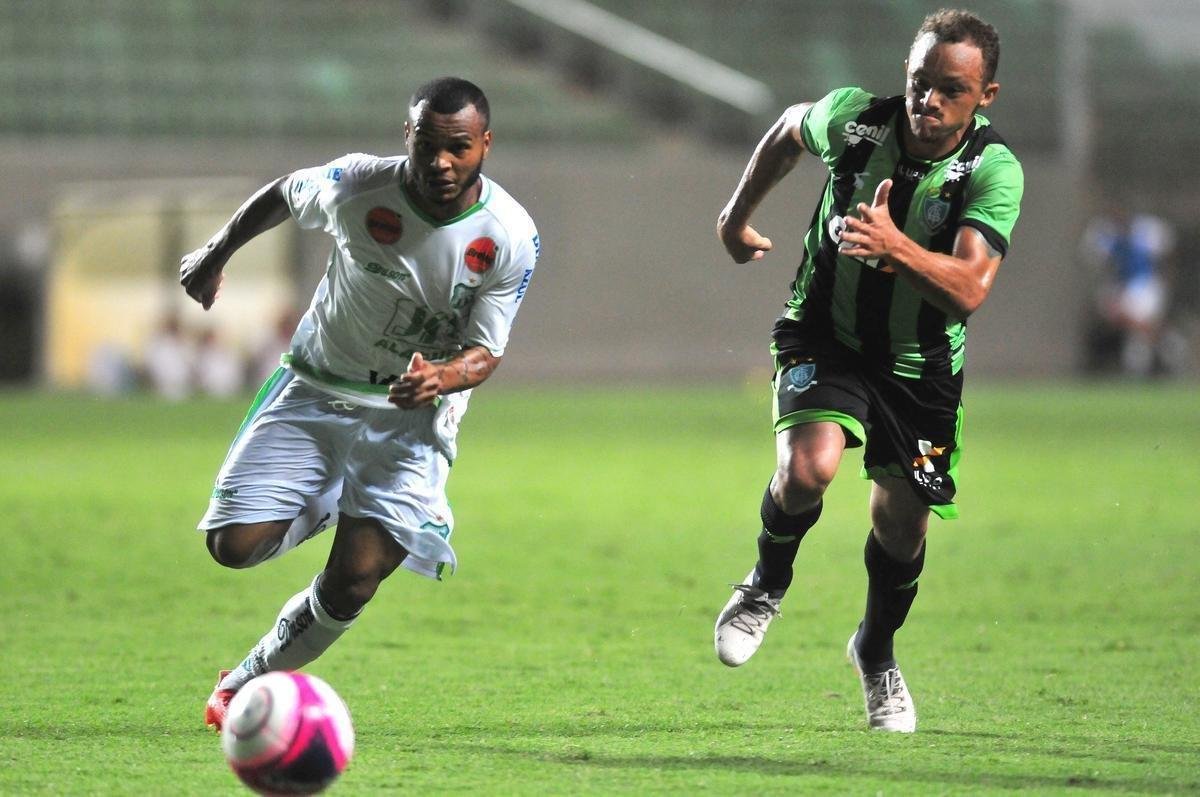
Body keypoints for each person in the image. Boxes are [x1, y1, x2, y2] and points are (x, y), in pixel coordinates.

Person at [179, 77, 540, 731]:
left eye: (458, 147)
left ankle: (241, 684)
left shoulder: (510, 234)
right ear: (408, 136)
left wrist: (443, 378)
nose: (440, 162)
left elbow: (487, 351)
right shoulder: (357, 185)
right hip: (317, 385)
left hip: (412, 415)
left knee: (354, 580)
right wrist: (217, 249)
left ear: (485, 143)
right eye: (427, 145)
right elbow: (287, 191)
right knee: (232, 546)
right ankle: (336, 496)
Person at [712, 9, 1023, 733]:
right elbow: (790, 126)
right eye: (920, 83)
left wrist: (896, 246)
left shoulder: (992, 169)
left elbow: (971, 287)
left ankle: (875, 651)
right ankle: (764, 584)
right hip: (826, 333)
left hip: (920, 367)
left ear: (986, 96)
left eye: (951, 89)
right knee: (807, 469)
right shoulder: (856, 122)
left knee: (902, 526)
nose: (929, 102)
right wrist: (734, 216)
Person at [1079, 204, 1177, 377]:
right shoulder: (1106, 235)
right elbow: (1091, 258)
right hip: (1120, 286)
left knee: (1135, 328)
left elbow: (1167, 254)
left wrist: (1164, 281)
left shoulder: (1147, 231)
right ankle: (1164, 342)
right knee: (1133, 326)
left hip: (1144, 284)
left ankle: (1158, 350)